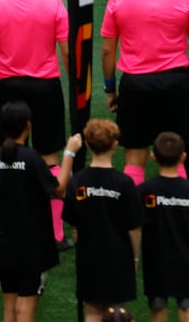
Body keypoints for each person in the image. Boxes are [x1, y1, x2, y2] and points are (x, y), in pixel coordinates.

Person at [0, 0, 71, 248]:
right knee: (50, 158)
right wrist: (76, 86)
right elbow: (67, 51)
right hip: (46, 88)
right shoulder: (53, 3)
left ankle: (16, 229)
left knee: (11, 157)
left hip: (10, 88)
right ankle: (55, 234)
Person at [101, 0, 189, 189]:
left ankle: (133, 218)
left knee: (134, 157)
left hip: (135, 85)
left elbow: (107, 51)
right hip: (175, 83)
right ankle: (177, 214)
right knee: (175, 153)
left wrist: (111, 89)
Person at [0, 101, 80, 322]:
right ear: (28, 126)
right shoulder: (31, 158)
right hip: (33, 245)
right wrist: (68, 154)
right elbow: (58, 189)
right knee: (26, 308)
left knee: (9, 309)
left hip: (4, 243)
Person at [60, 118, 142, 322]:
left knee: (92, 311)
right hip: (119, 256)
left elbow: (72, 220)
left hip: (89, 255)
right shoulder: (124, 183)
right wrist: (135, 258)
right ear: (115, 144)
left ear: (87, 145)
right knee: (116, 313)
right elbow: (134, 227)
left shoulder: (78, 181)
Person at [137, 132, 189, 322]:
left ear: (153, 157)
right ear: (183, 157)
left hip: (155, 263)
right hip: (185, 262)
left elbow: (135, 228)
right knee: (187, 308)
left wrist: (134, 258)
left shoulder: (145, 190)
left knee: (158, 308)